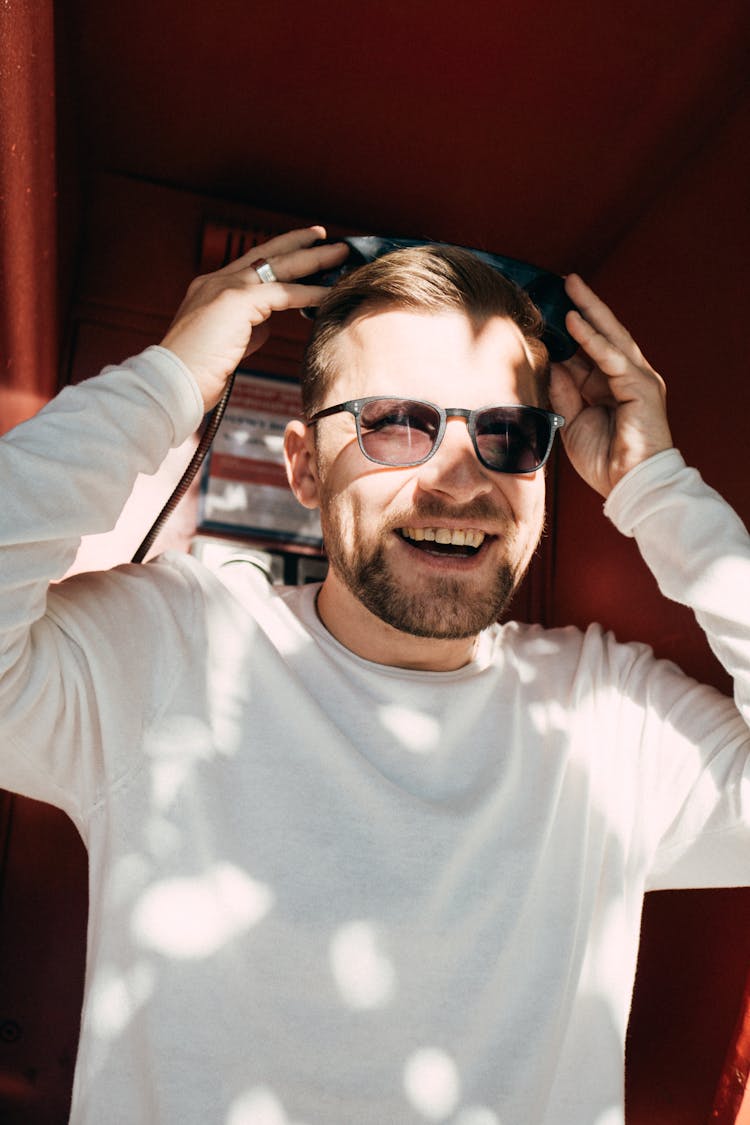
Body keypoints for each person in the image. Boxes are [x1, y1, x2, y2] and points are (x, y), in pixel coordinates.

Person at [1, 224, 748, 1125]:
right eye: (397, 424)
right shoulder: (172, 651)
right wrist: (168, 382)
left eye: (507, 434)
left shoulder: (609, 719)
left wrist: (656, 485)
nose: (458, 482)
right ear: (304, 468)